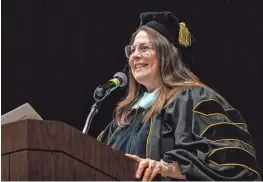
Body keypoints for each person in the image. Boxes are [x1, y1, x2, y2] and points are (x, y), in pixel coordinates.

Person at [97, 11, 261, 181]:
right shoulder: (123, 119)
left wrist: (168, 168)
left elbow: (232, 163)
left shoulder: (194, 99)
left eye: (144, 48)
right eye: (132, 50)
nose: (135, 55)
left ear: (166, 54)